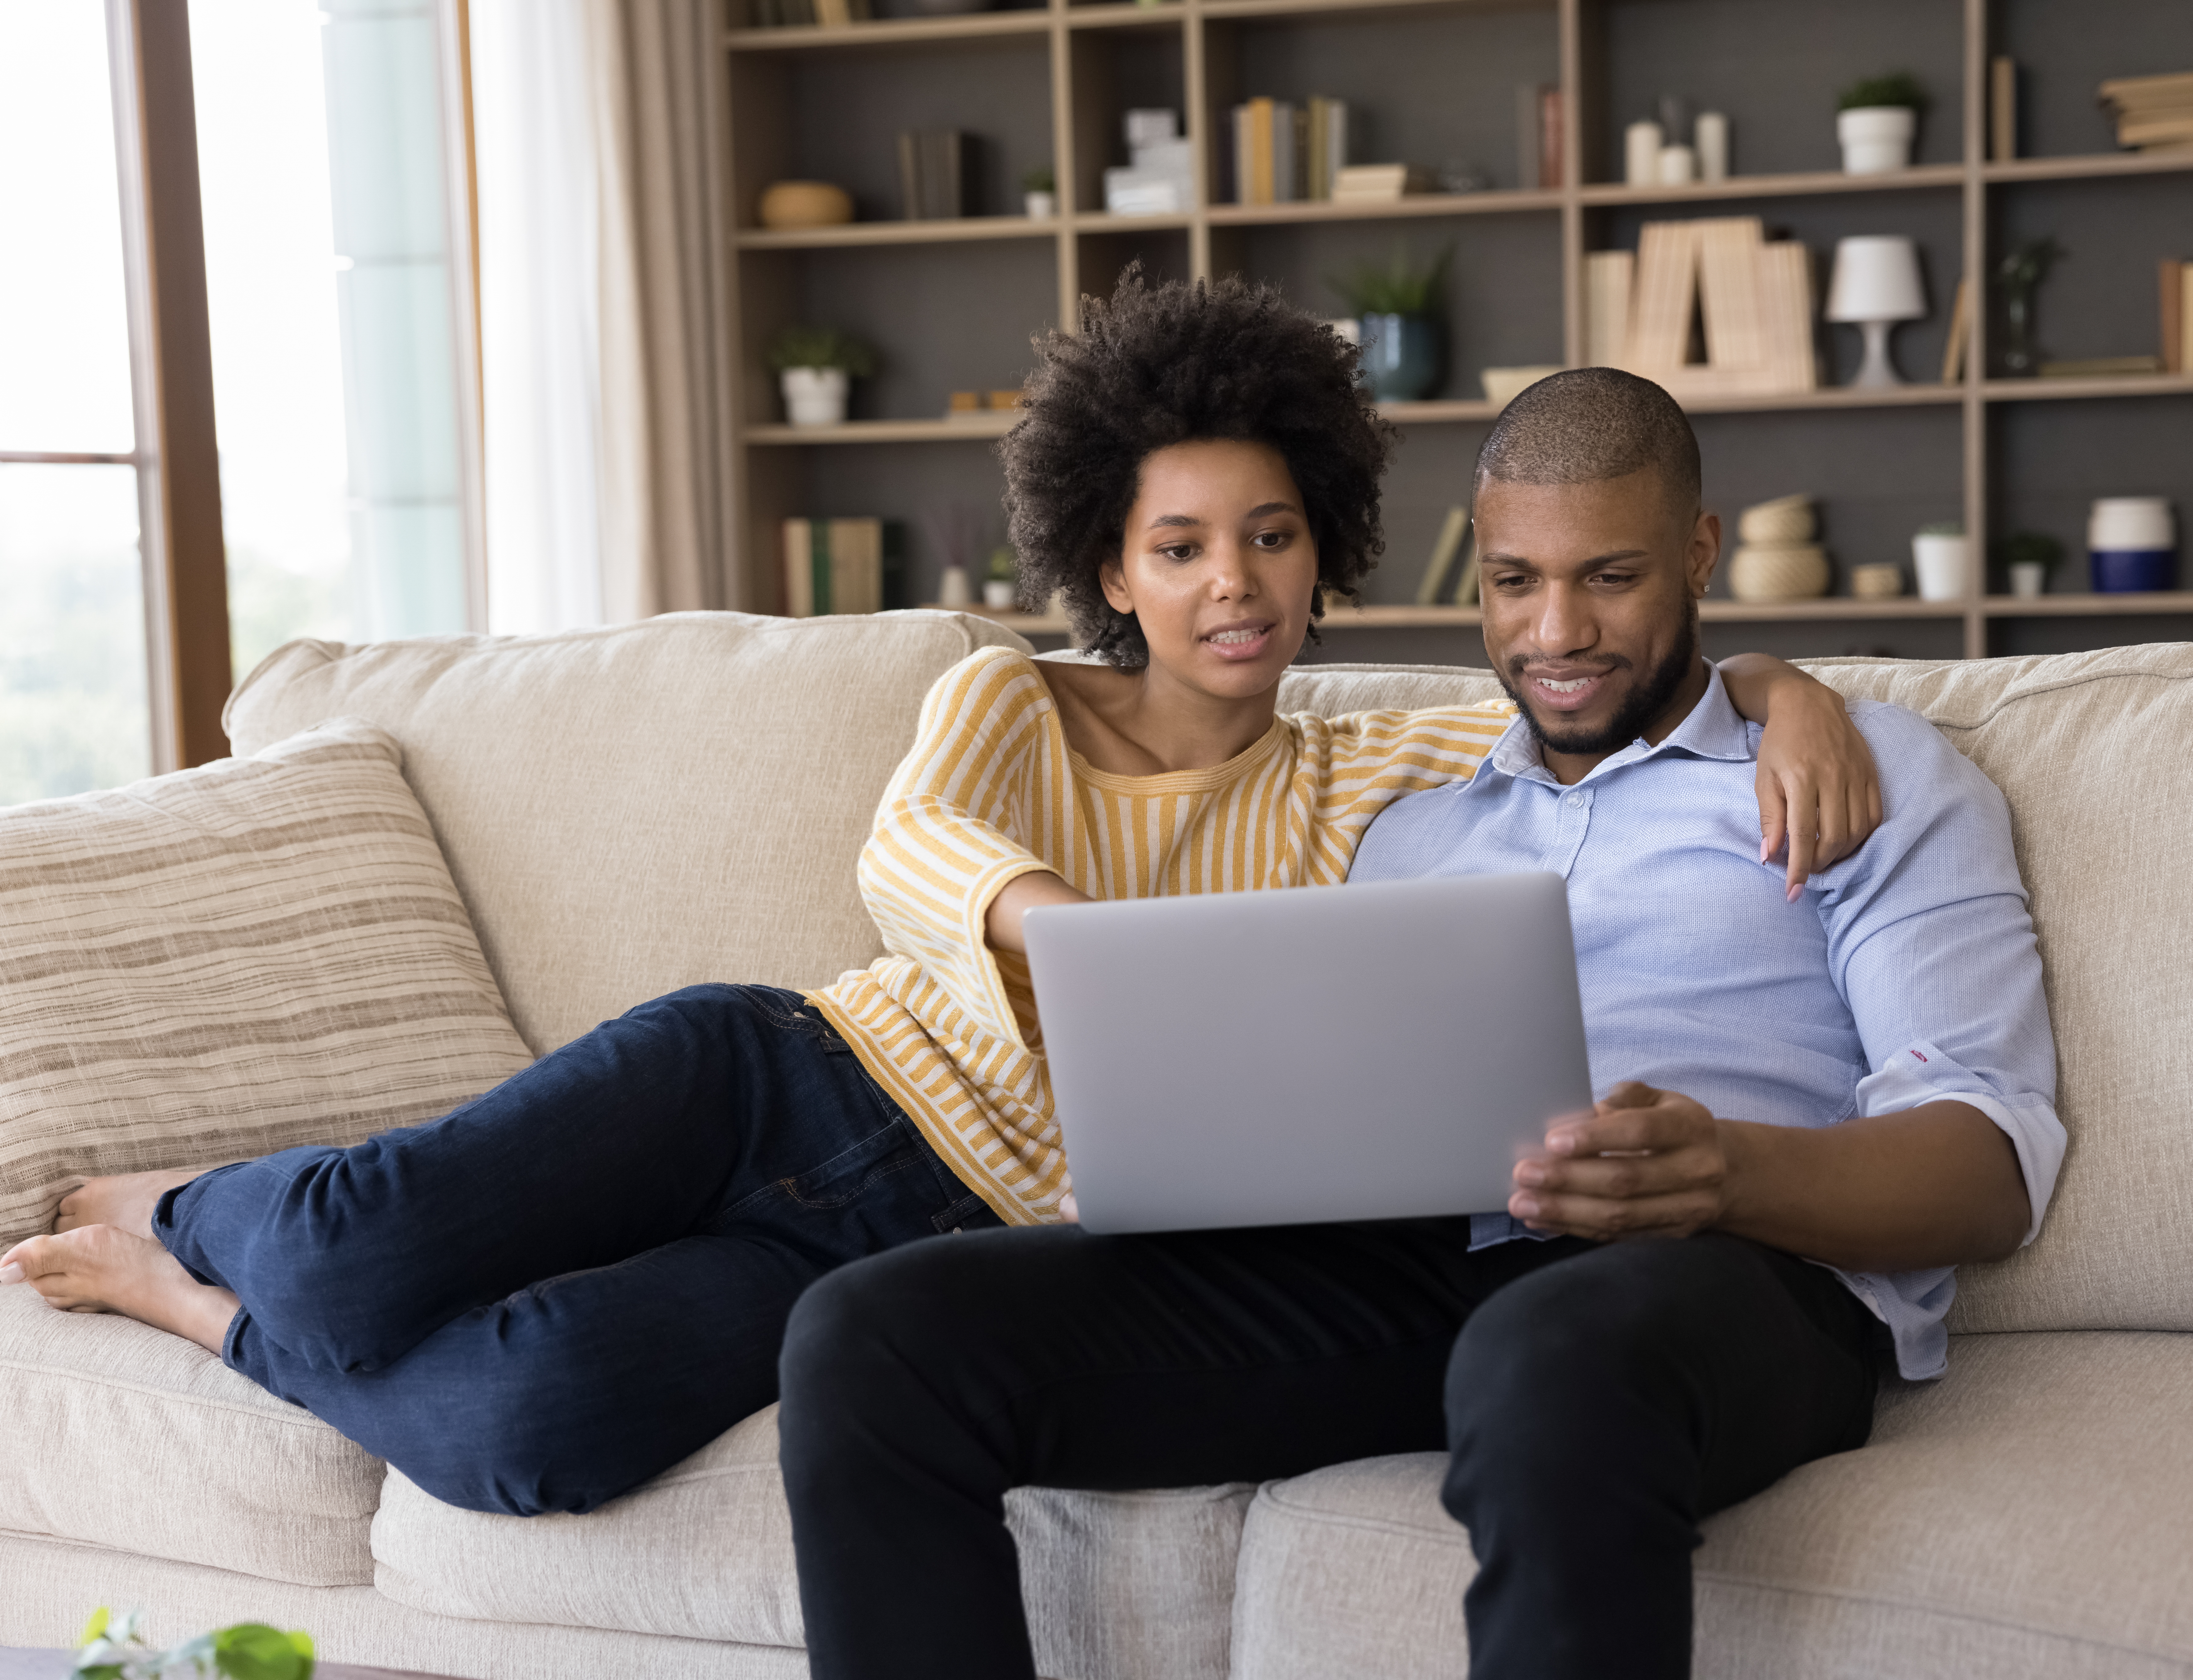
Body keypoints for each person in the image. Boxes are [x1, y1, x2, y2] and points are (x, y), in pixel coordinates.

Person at [0, 275, 1877, 1521]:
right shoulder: (1006, 695)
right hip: (784, 1080)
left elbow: (1598, 695)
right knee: (344, 1249)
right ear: (1110, 568)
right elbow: (916, 854)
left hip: (919, 1256)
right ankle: (198, 1201)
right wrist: (1058, 929)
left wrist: (1789, 690)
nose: (1237, 583)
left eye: (1276, 535)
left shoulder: (1382, 772)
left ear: (1331, 552)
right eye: (1181, 545)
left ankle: (198, 1312)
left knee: (531, 1430)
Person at [771, 365, 2067, 1679]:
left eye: (1608, 577)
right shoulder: (1414, 818)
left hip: (1738, 1281)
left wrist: (1722, 1168)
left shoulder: (1869, 780)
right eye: (1514, 581)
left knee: (1543, 1355)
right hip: (1422, 1265)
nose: (1555, 631)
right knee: (872, 1335)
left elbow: (1986, 1166)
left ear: (1698, 552)